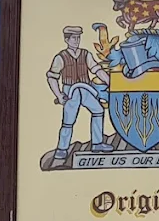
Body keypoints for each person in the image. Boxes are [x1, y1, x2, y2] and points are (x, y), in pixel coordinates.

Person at [46, 26, 114, 161]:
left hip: (86, 88)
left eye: (78, 38)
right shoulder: (61, 57)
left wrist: (110, 82)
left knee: (98, 110)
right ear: (66, 40)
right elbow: (52, 77)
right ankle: (62, 148)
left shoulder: (85, 54)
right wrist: (59, 95)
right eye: (73, 38)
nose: (76, 41)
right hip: (70, 90)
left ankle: (97, 143)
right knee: (68, 120)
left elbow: (96, 69)